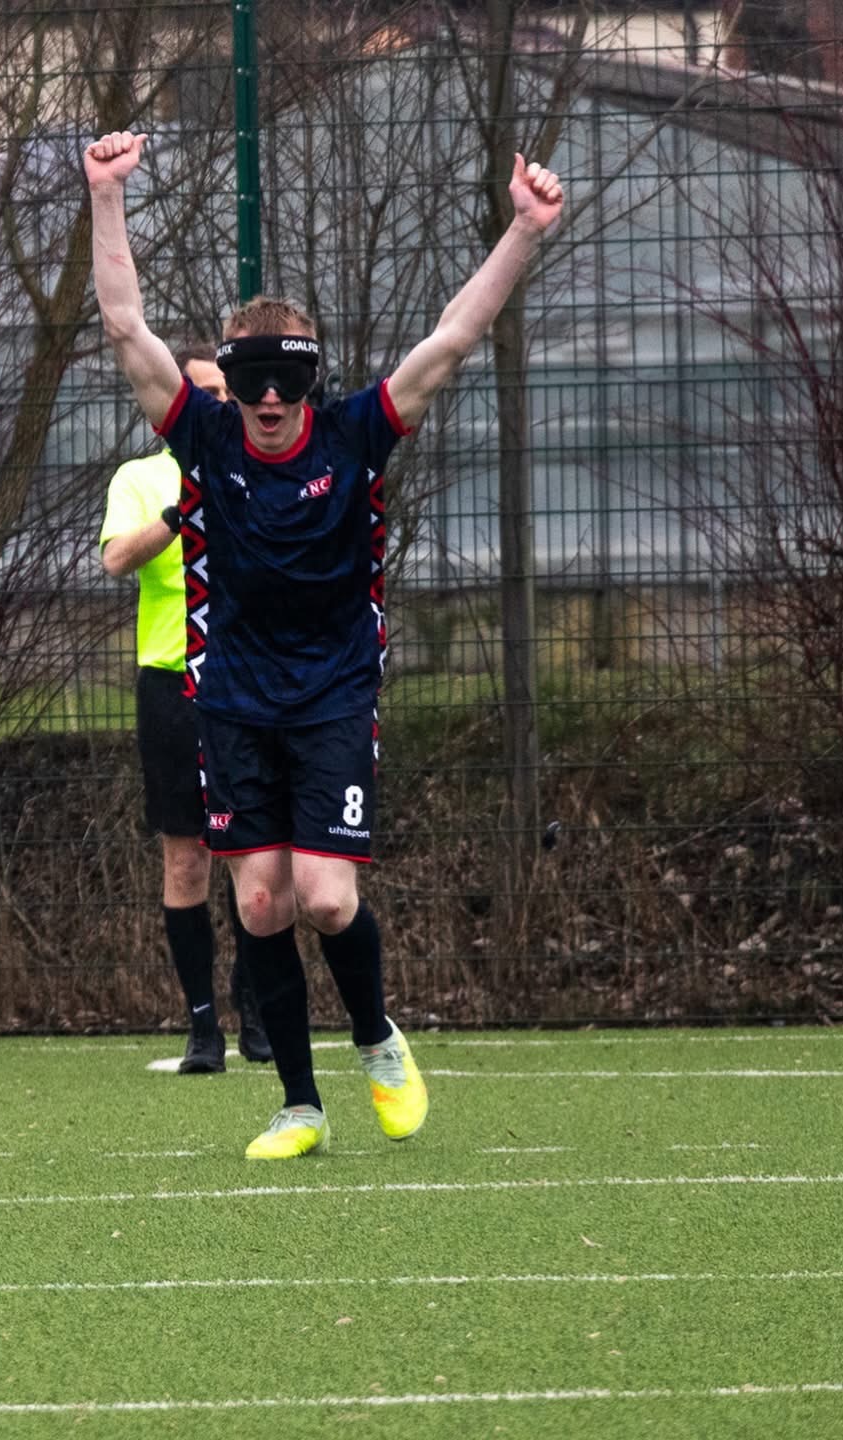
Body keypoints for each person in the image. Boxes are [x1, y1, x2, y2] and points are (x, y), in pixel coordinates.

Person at [85, 129, 564, 1158]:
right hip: (233, 701)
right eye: (251, 380)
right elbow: (124, 327)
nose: (267, 401)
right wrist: (106, 198)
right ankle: (300, 1104)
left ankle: (379, 1037)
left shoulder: (354, 435)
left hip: (336, 697)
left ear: (309, 381)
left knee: (326, 893)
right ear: (230, 382)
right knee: (257, 902)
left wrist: (524, 231)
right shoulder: (203, 438)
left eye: (286, 381)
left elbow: (452, 338)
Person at [99, 342, 272, 1073]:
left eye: (221, 394)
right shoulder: (141, 478)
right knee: (186, 862)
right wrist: (181, 512)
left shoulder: (258, 474)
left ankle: (257, 1016)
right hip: (173, 689)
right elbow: (114, 560)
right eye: (197, 393)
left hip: (246, 686)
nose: (212, 405)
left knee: (254, 859)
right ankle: (204, 1029)